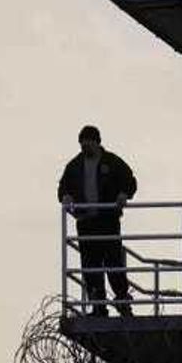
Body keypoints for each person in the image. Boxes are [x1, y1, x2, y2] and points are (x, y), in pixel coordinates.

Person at [58, 125, 138, 317]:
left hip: (107, 220)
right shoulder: (74, 166)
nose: (85, 147)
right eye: (82, 143)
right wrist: (66, 197)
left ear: (97, 142)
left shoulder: (112, 162)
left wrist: (123, 194)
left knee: (113, 261)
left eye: (88, 143)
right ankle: (98, 306)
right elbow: (62, 188)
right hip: (86, 222)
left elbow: (130, 181)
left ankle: (122, 301)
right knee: (90, 266)